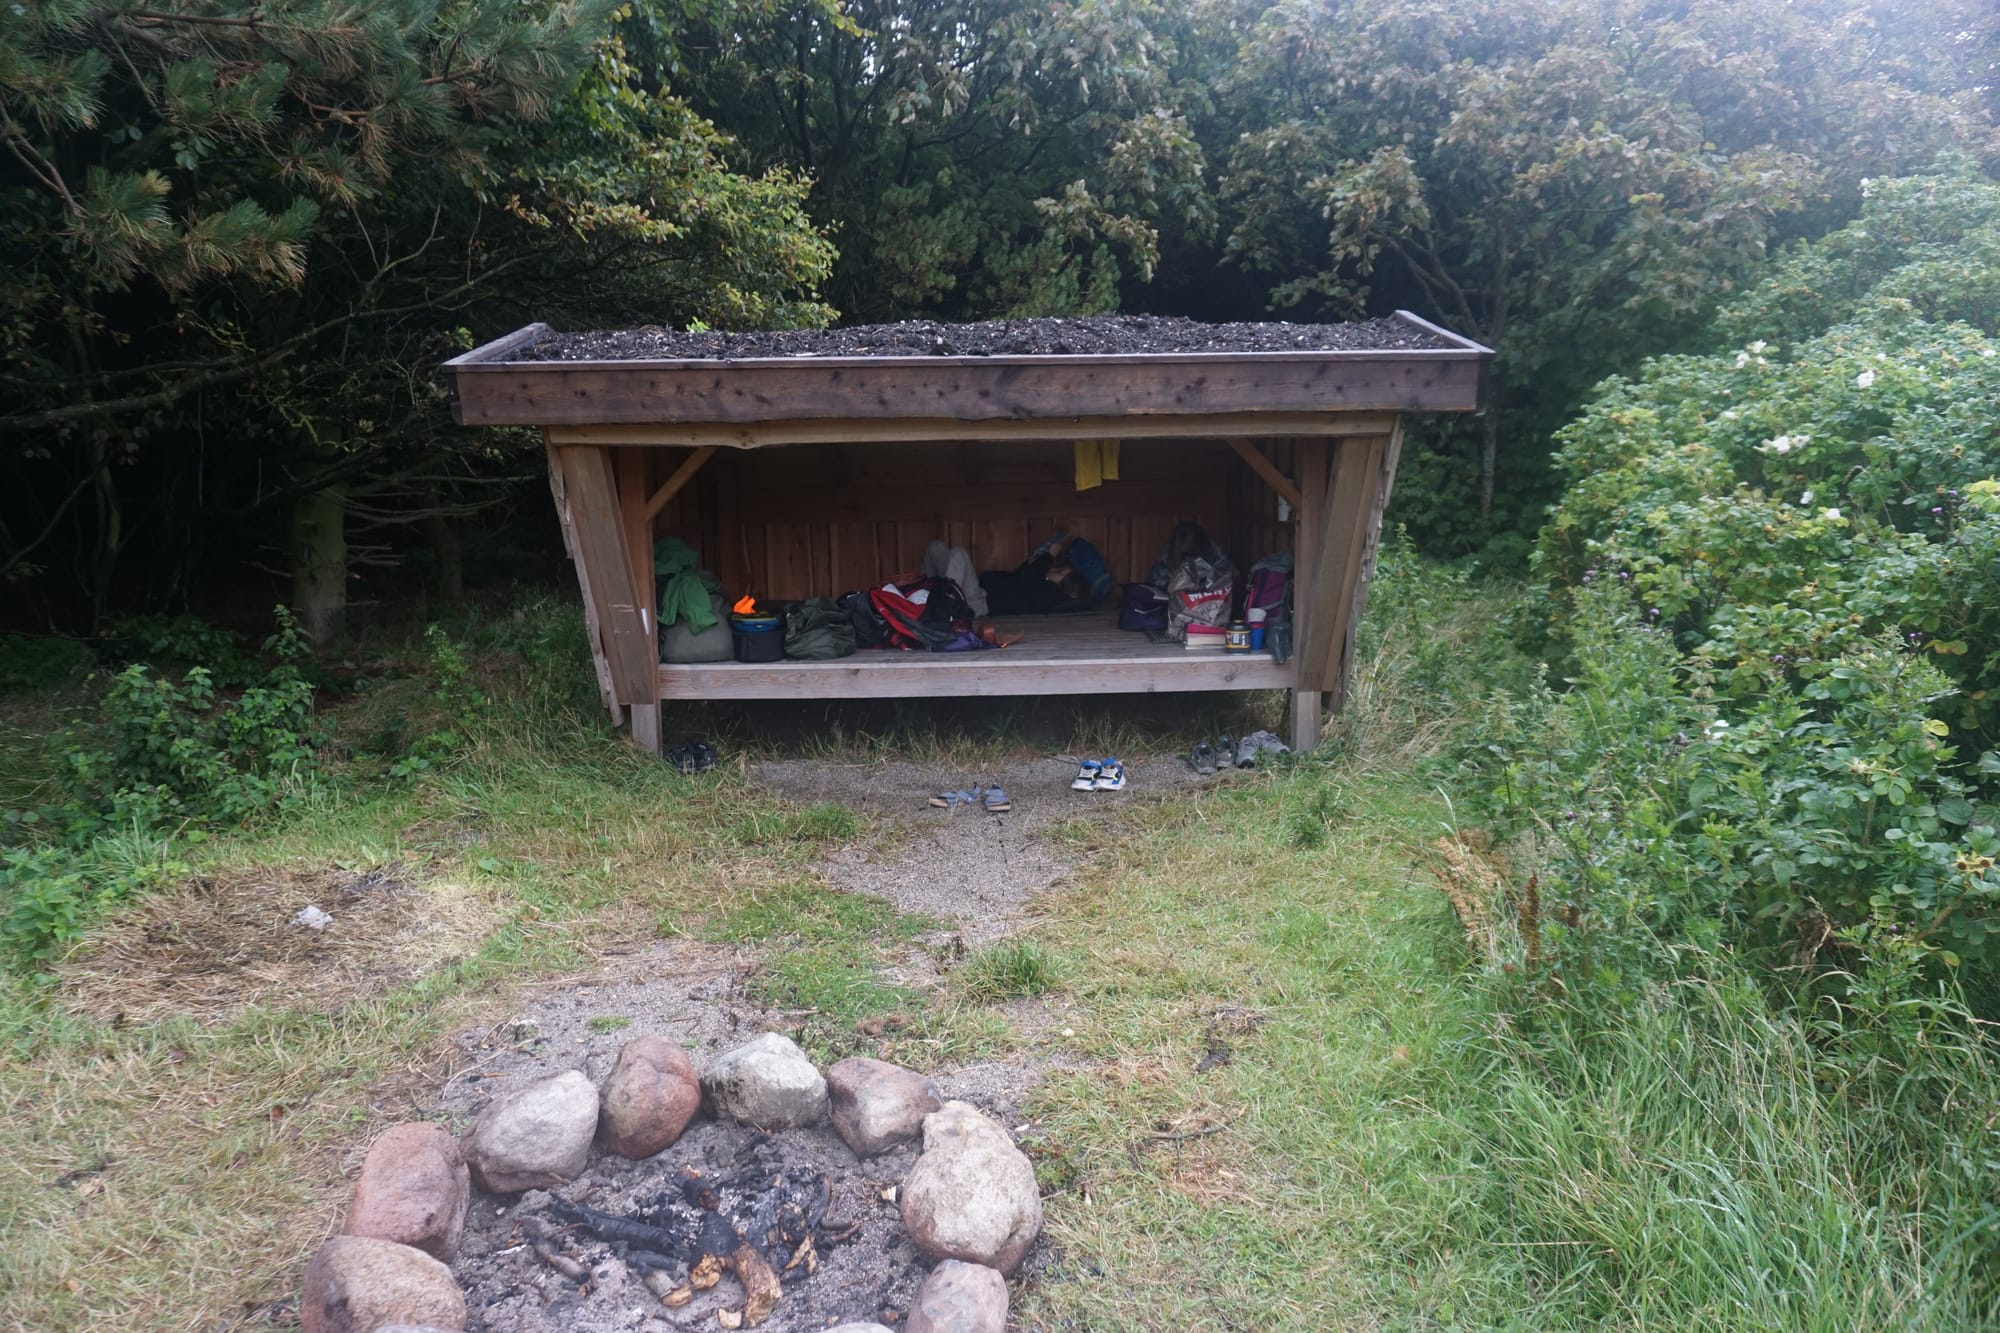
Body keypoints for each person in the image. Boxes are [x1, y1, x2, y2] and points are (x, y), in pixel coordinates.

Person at [979, 539, 1091, 615]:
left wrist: (1050, 555)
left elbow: (1028, 577)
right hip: (983, 589)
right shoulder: (1041, 584)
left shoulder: (1048, 594)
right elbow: (1019, 577)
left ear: (1064, 586)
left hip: (982, 600)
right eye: (1059, 568)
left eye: (1059, 572)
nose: (1053, 569)